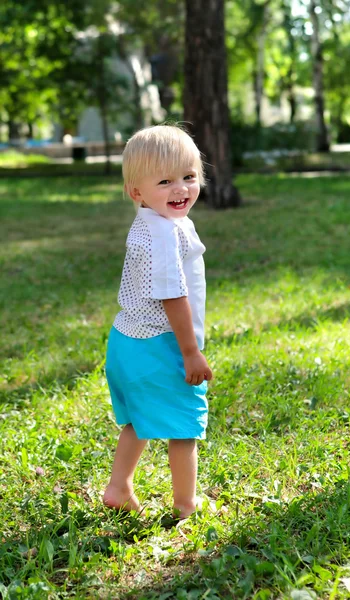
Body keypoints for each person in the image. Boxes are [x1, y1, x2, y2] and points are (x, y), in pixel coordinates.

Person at [103, 124, 213, 519]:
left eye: (188, 176)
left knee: (139, 417)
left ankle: (119, 487)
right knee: (184, 425)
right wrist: (191, 353)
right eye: (165, 181)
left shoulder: (153, 222)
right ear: (137, 192)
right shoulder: (165, 234)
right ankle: (186, 505)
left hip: (125, 341)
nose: (180, 188)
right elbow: (173, 296)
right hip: (160, 345)